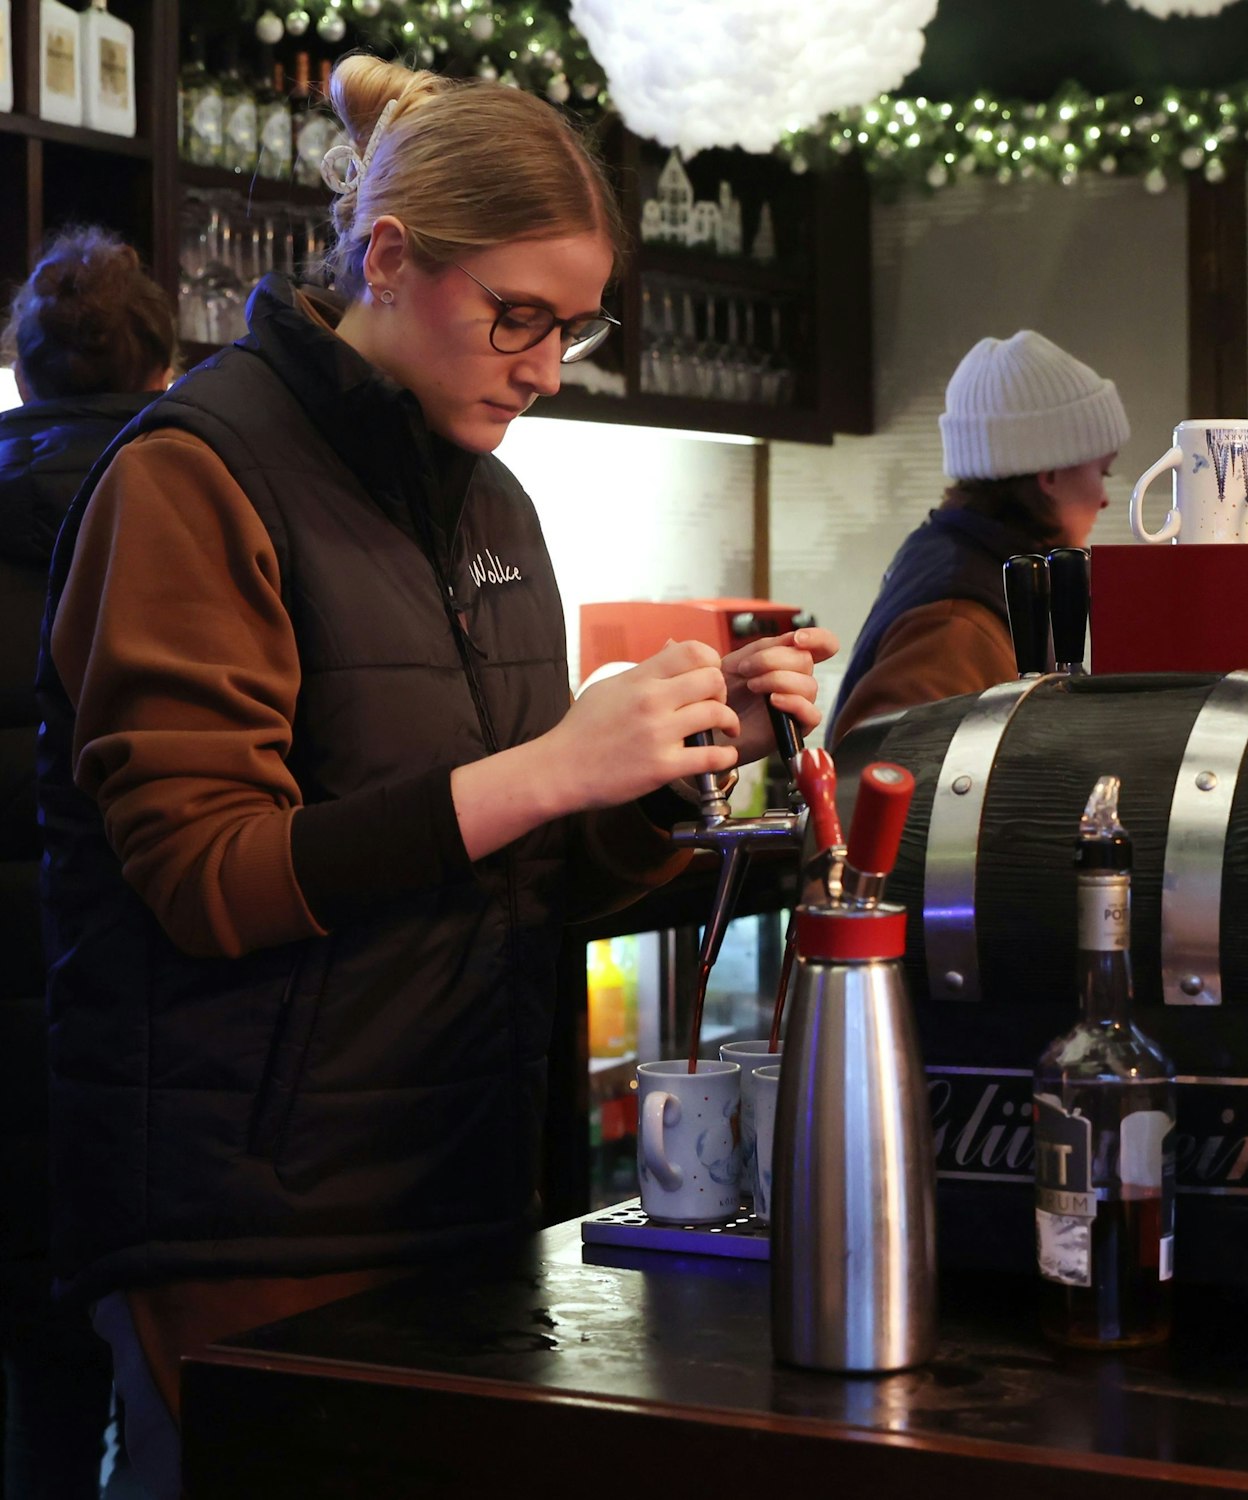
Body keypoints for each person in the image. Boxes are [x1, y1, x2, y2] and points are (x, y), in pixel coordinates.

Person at [34, 57, 833, 1498]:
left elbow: (512, 876)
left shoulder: (499, 504)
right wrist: (546, 767)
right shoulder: (194, 477)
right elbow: (206, 879)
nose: (540, 363)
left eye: (569, 327)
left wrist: (672, 771)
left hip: (459, 1190)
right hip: (247, 1225)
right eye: (514, 314)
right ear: (390, 261)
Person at [0, 228, 175, 1500]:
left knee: (28, 1397)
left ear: (17, 376)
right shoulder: (191, 526)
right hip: (141, 1045)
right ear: (164, 372)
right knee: (150, 1390)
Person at [828, 330, 1126, 745]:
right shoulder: (955, 620)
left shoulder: (977, 568)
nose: (1105, 499)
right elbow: (882, 774)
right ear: (1051, 474)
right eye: (1103, 472)